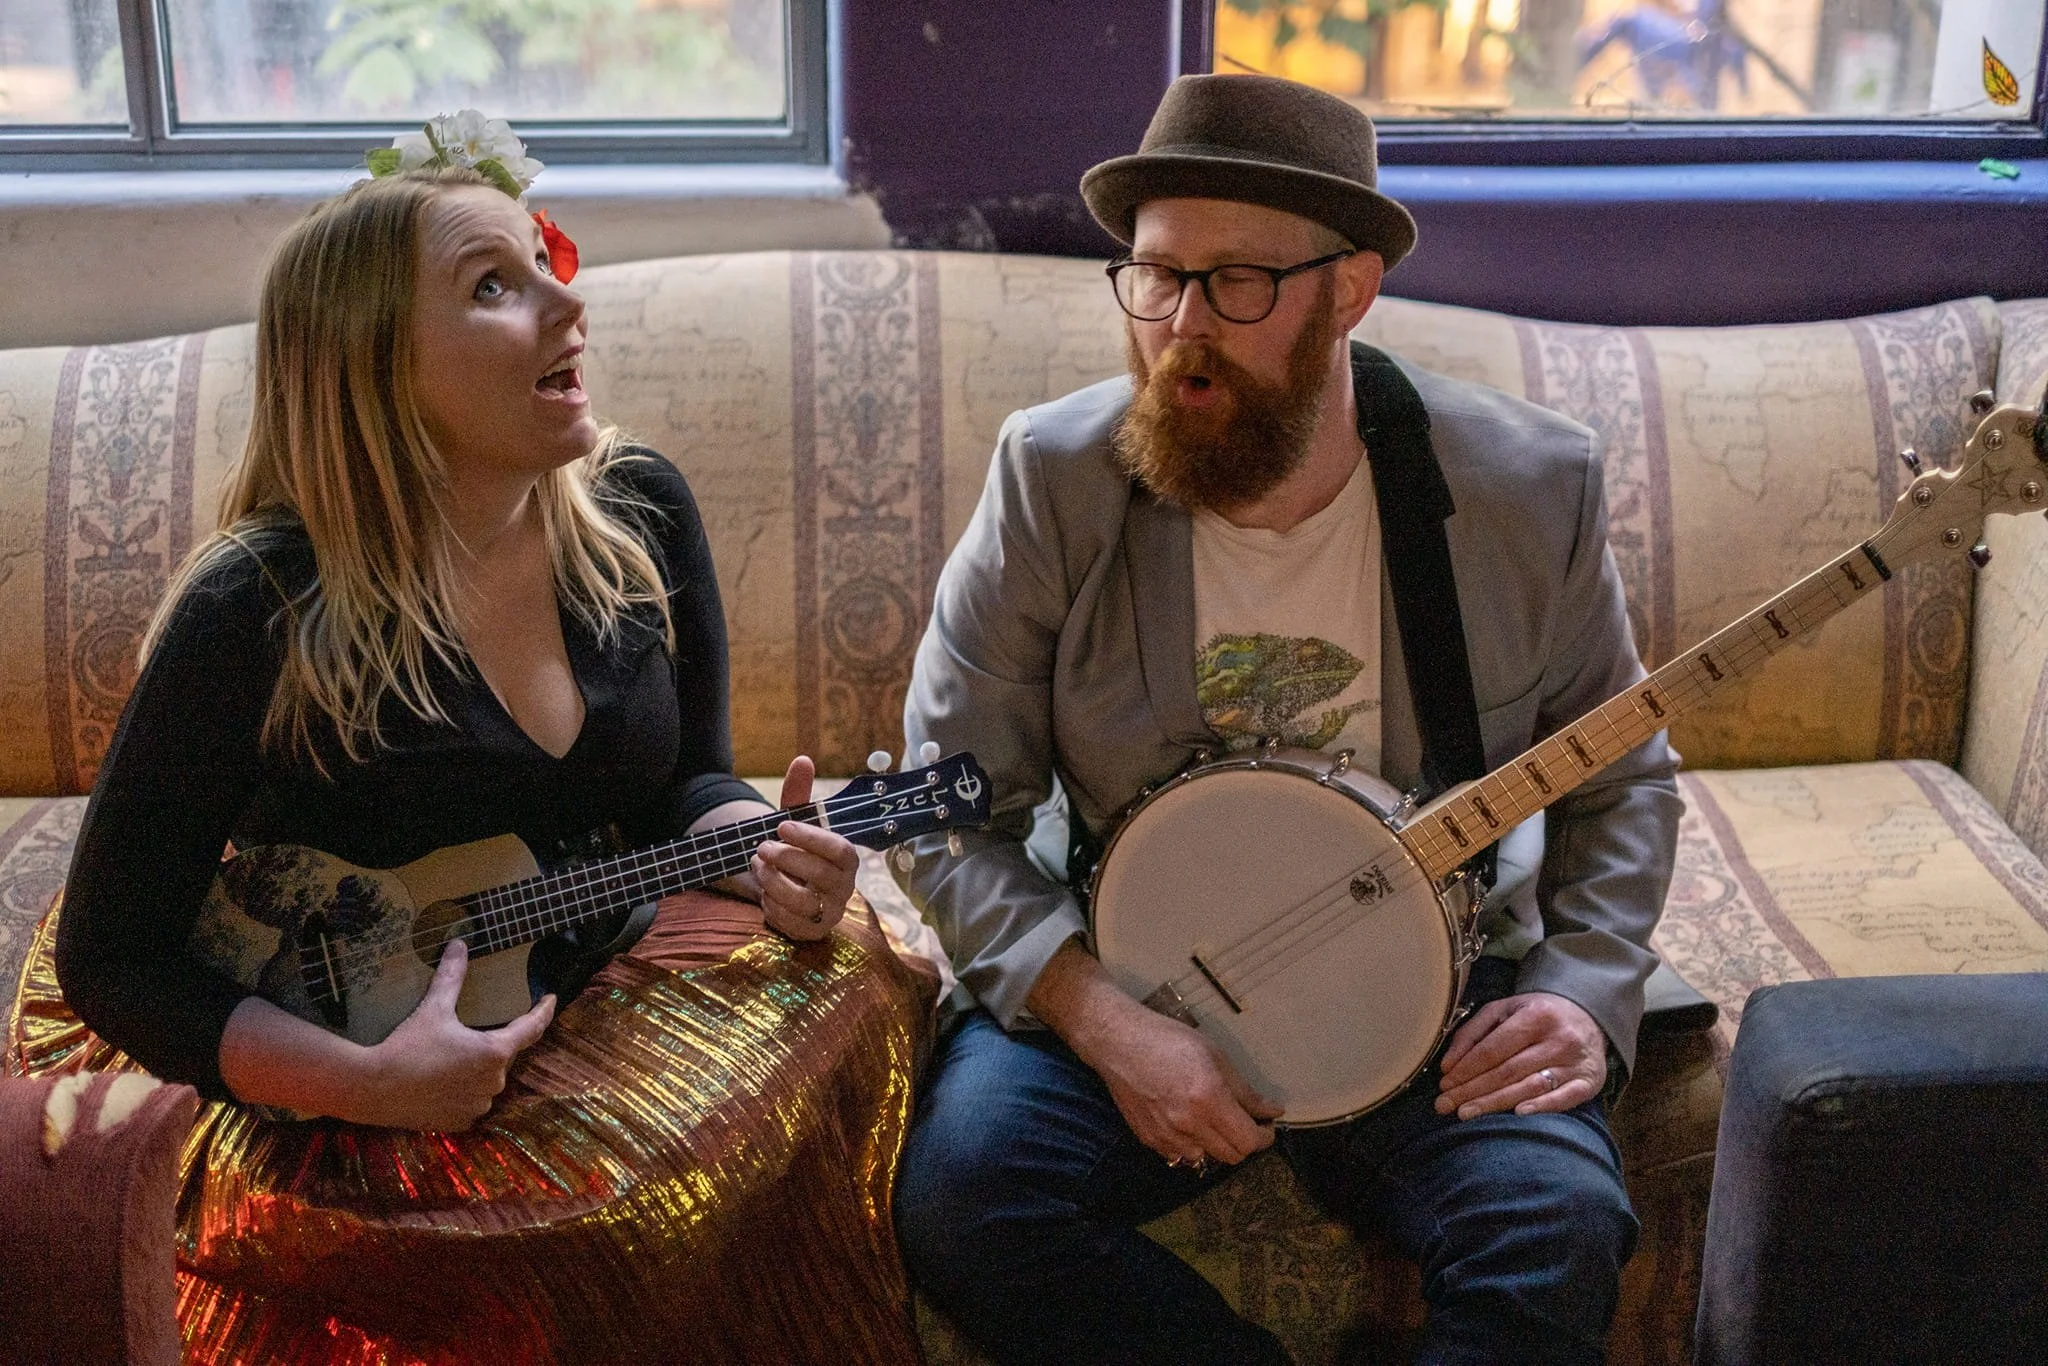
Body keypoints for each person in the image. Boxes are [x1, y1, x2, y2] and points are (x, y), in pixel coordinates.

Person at [32, 127, 934, 1363]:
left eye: (543, 261)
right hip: (327, 1032)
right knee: (540, 1257)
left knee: (862, 980)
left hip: (574, 965)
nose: (569, 295)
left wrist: (760, 848)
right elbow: (113, 952)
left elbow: (686, 783)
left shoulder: (641, 511)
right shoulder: (256, 607)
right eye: (494, 286)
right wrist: (368, 1086)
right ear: (374, 371)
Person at [893, 74, 1682, 1365]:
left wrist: (1587, 990)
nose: (1181, 327)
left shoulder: (1524, 486)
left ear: (1350, 290)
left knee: (1560, 1226)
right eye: (1156, 277)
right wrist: (1102, 1016)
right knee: (970, 1199)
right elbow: (942, 807)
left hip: (1437, 974)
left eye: (1239, 284)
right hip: (1139, 960)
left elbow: (1622, 775)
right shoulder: (1055, 477)